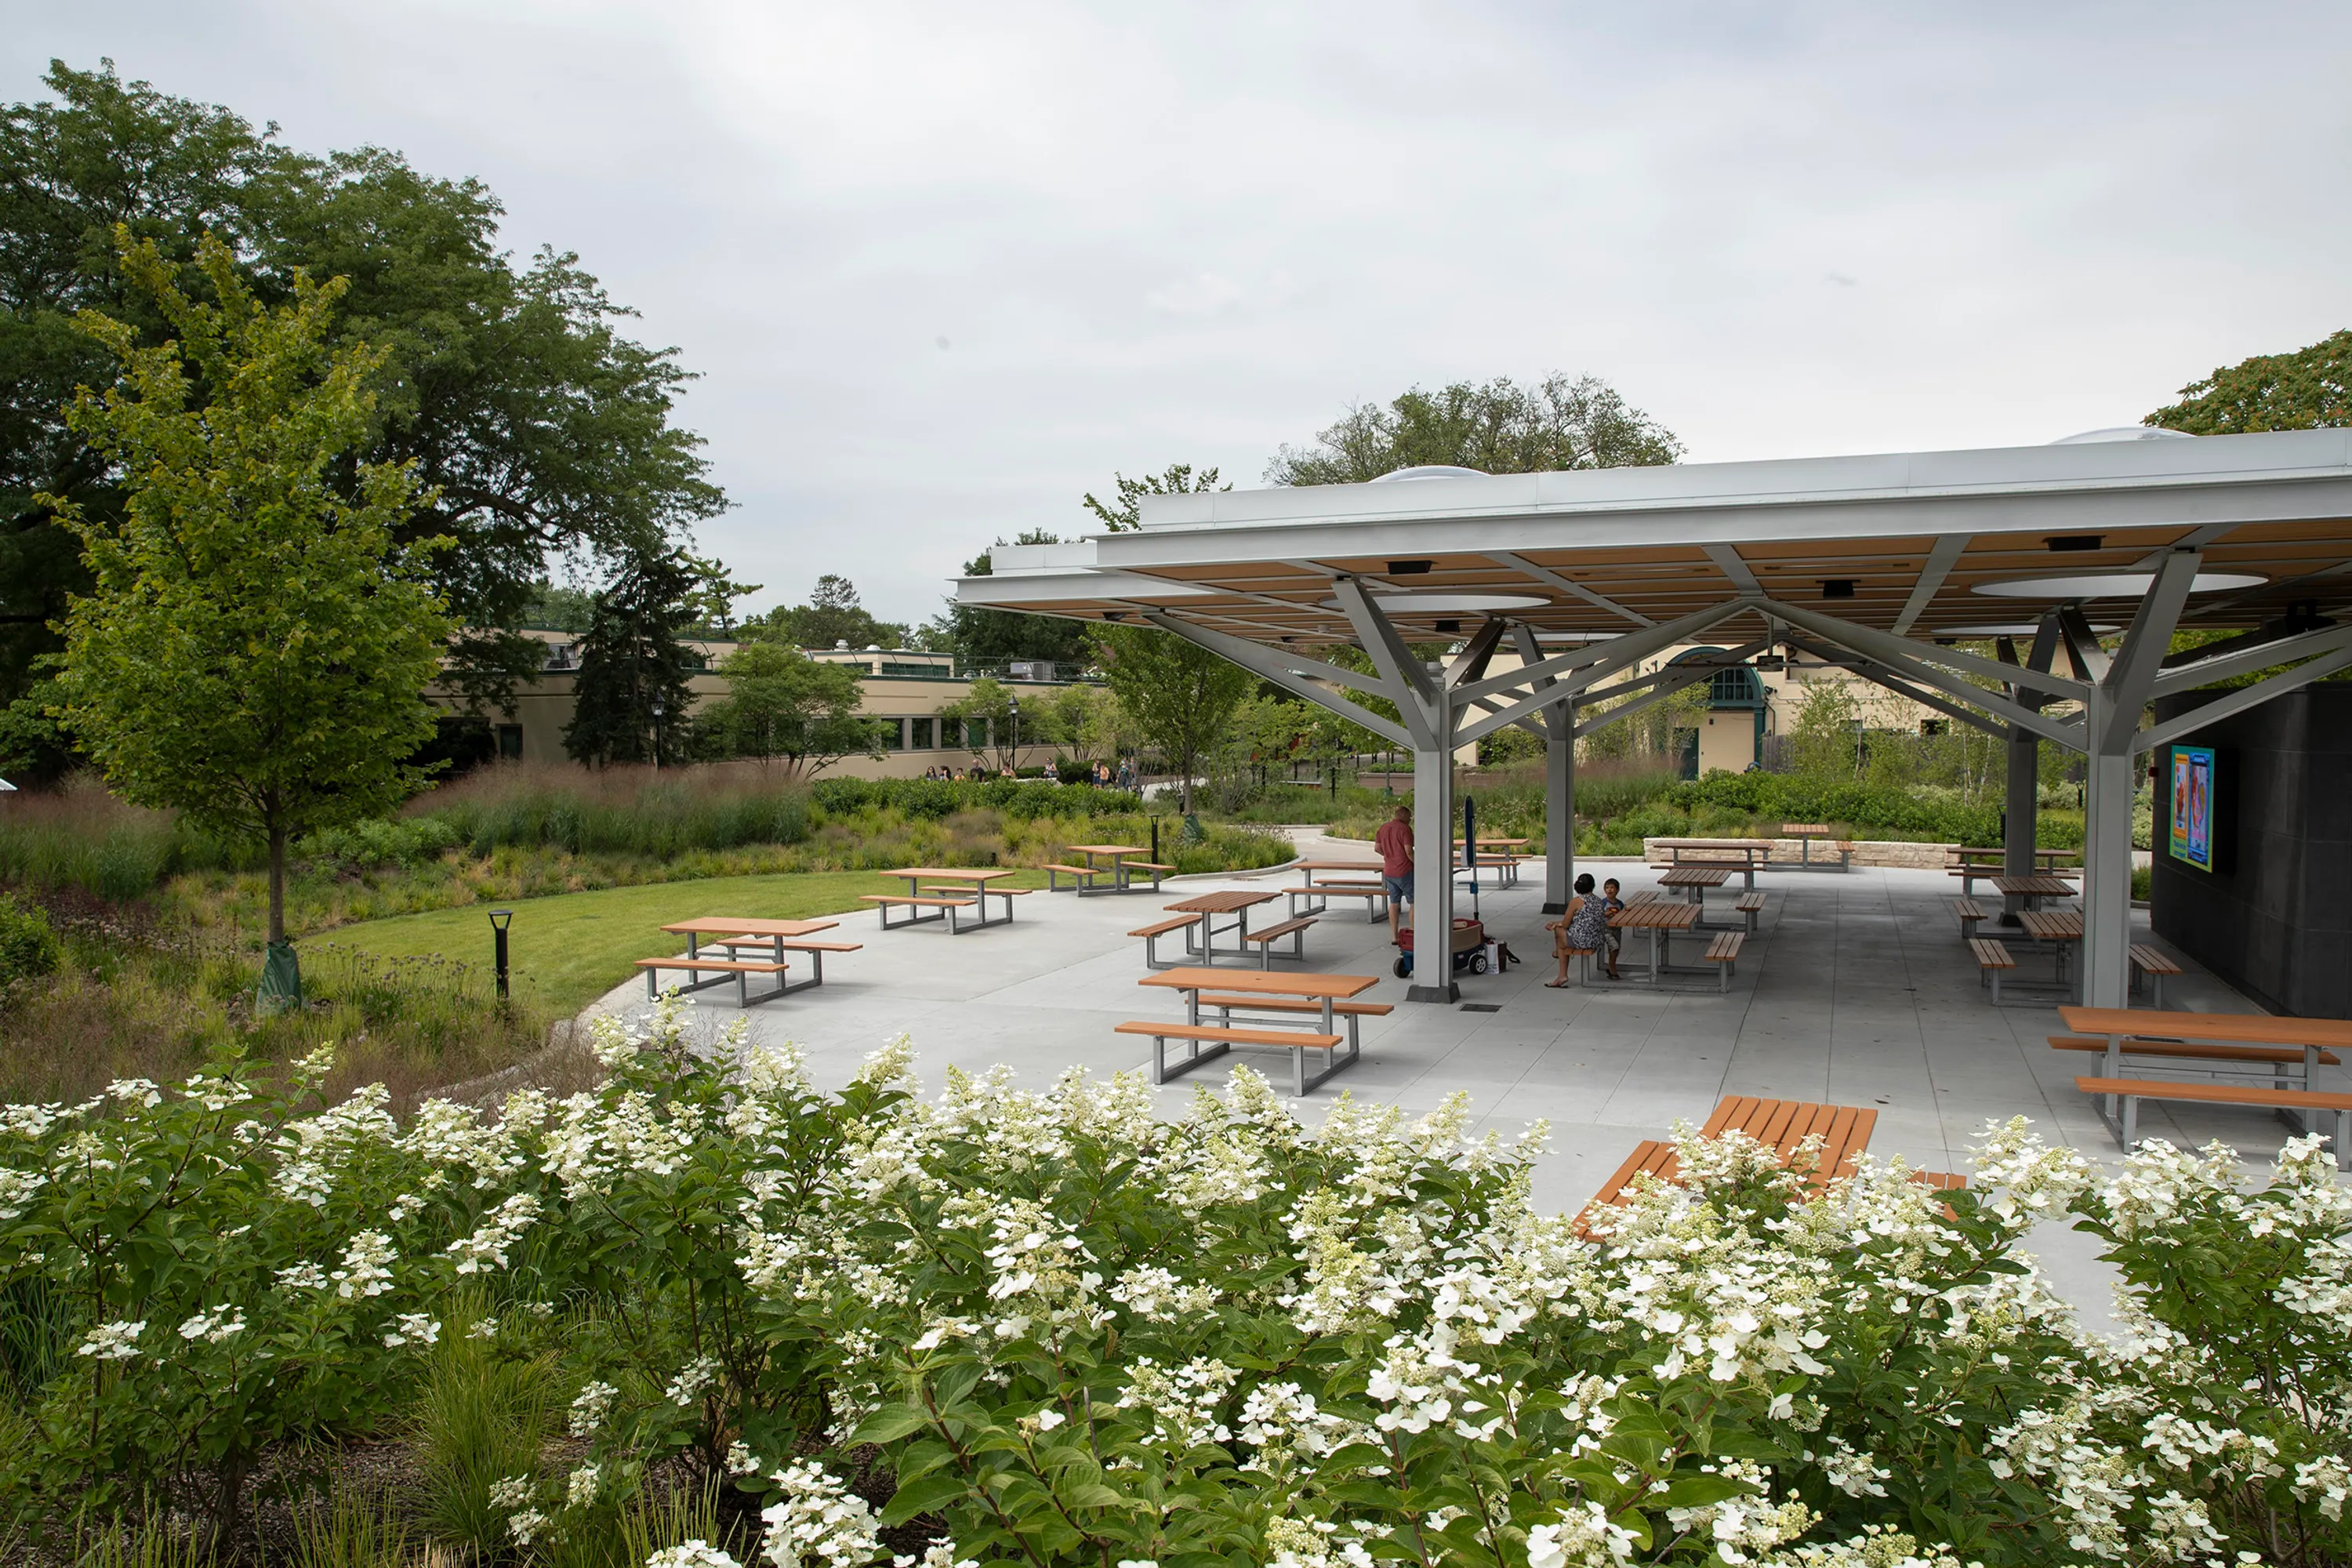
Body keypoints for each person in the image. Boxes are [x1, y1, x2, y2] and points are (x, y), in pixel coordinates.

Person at [1547, 873, 1615, 986]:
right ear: (1592, 886)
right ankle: (1558, 955)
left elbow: (1565, 924)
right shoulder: (1598, 900)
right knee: (1560, 932)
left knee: (1559, 934)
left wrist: (1555, 924)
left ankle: (1561, 971)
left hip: (1583, 941)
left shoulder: (1576, 902)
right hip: (1597, 939)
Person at [1374, 803, 1414, 942]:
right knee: (1413, 902)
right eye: (1409, 816)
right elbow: (1409, 850)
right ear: (1403, 816)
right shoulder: (1405, 829)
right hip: (1405, 871)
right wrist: (1417, 863)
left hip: (1389, 871)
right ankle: (1414, 934)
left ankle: (1395, 936)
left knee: (1394, 903)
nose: (1411, 819)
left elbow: (1377, 848)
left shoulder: (1383, 828)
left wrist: (1389, 856)